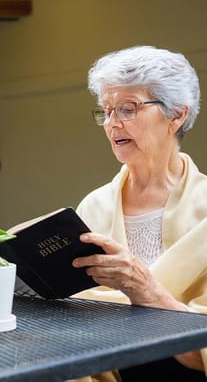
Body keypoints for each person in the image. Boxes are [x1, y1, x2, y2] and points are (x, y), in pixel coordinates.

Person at [72, 46, 207, 381]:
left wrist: (146, 291)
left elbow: (198, 357)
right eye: (106, 110)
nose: (112, 124)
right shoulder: (93, 206)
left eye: (127, 109)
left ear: (176, 114)